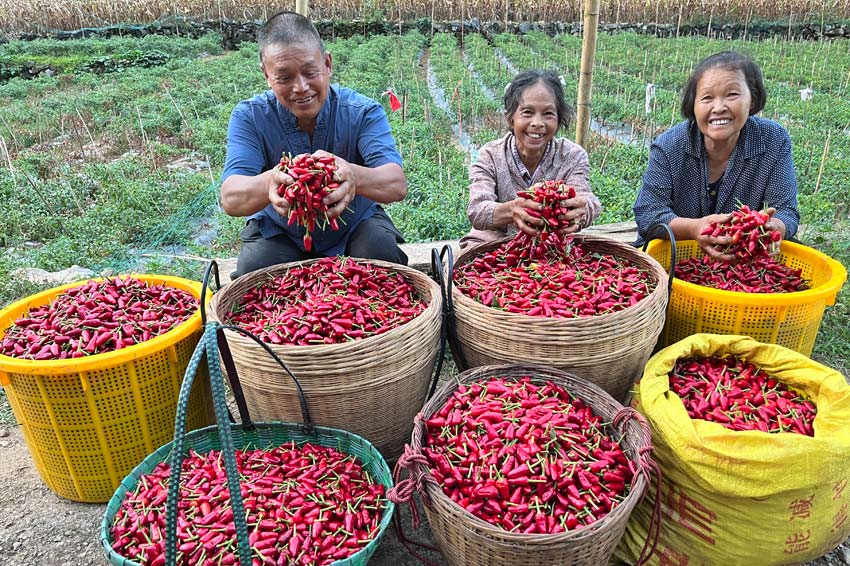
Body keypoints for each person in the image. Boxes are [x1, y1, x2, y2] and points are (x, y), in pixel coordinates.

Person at [220, 11, 408, 278]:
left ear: (328, 63)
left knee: (380, 252)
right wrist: (272, 181)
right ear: (266, 75)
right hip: (280, 231)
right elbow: (231, 198)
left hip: (354, 225)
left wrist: (353, 176)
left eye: (310, 72)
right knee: (256, 270)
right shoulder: (250, 116)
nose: (300, 87)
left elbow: (395, 183)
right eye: (284, 78)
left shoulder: (362, 112)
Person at [633, 51, 799, 259]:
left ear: (753, 100)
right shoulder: (670, 146)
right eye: (707, 98)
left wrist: (775, 226)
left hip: (740, 254)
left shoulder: (773, 140)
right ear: (693, 105)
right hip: (678, 253)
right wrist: (694, 228)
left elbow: (786, 210)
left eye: (732, 95)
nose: (719, 108)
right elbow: (649, 214)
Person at [461, 69, 602, 248]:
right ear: (510, 118)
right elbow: (477, 210)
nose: (537, 123)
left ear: (559, 119)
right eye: (527, 112)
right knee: (463, 267)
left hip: (551, 243)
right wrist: (512, 210)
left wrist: (581, 209)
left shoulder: (572, 156)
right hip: (495, 243)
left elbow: (588, 200)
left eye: (548, 113)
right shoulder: (490, 155)